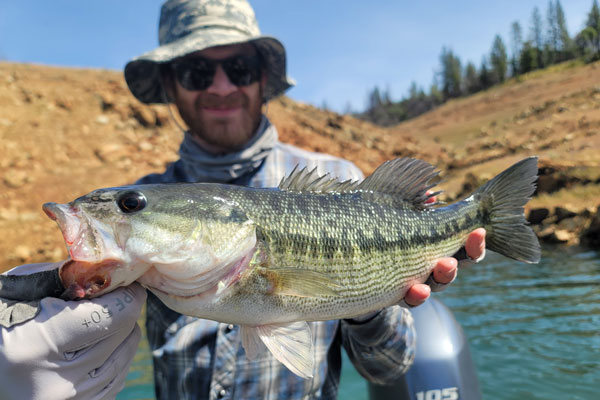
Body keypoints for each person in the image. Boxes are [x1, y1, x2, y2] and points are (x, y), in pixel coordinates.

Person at [0, 1, 486, 399]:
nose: (221, 87)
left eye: (239, 67)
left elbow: (389, 366)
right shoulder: (147, 196)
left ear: (261, 78)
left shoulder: (344, 183)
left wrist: (365, 301)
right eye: (195, 71)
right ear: (170, 84)